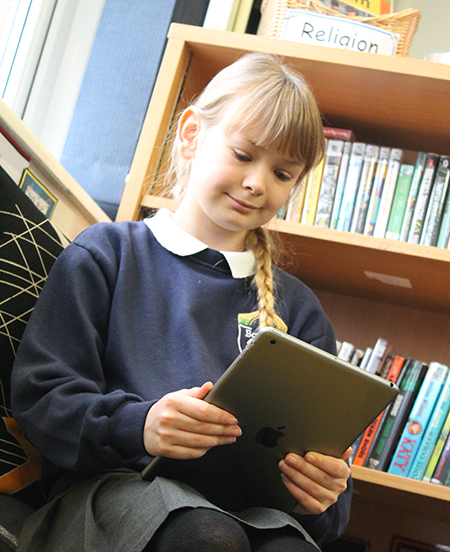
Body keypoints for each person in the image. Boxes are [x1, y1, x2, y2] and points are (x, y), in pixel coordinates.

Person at [11, 52, 352, 552]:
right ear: (191, 135)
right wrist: (140, 426)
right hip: (109, 500)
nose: (257, 183)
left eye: (283, 174)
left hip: (247, 514)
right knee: (204, 536)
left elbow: (328, 504)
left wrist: (323, 494)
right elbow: (42, 402)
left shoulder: (299, 312)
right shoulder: (107, 255)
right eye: (243, 155)